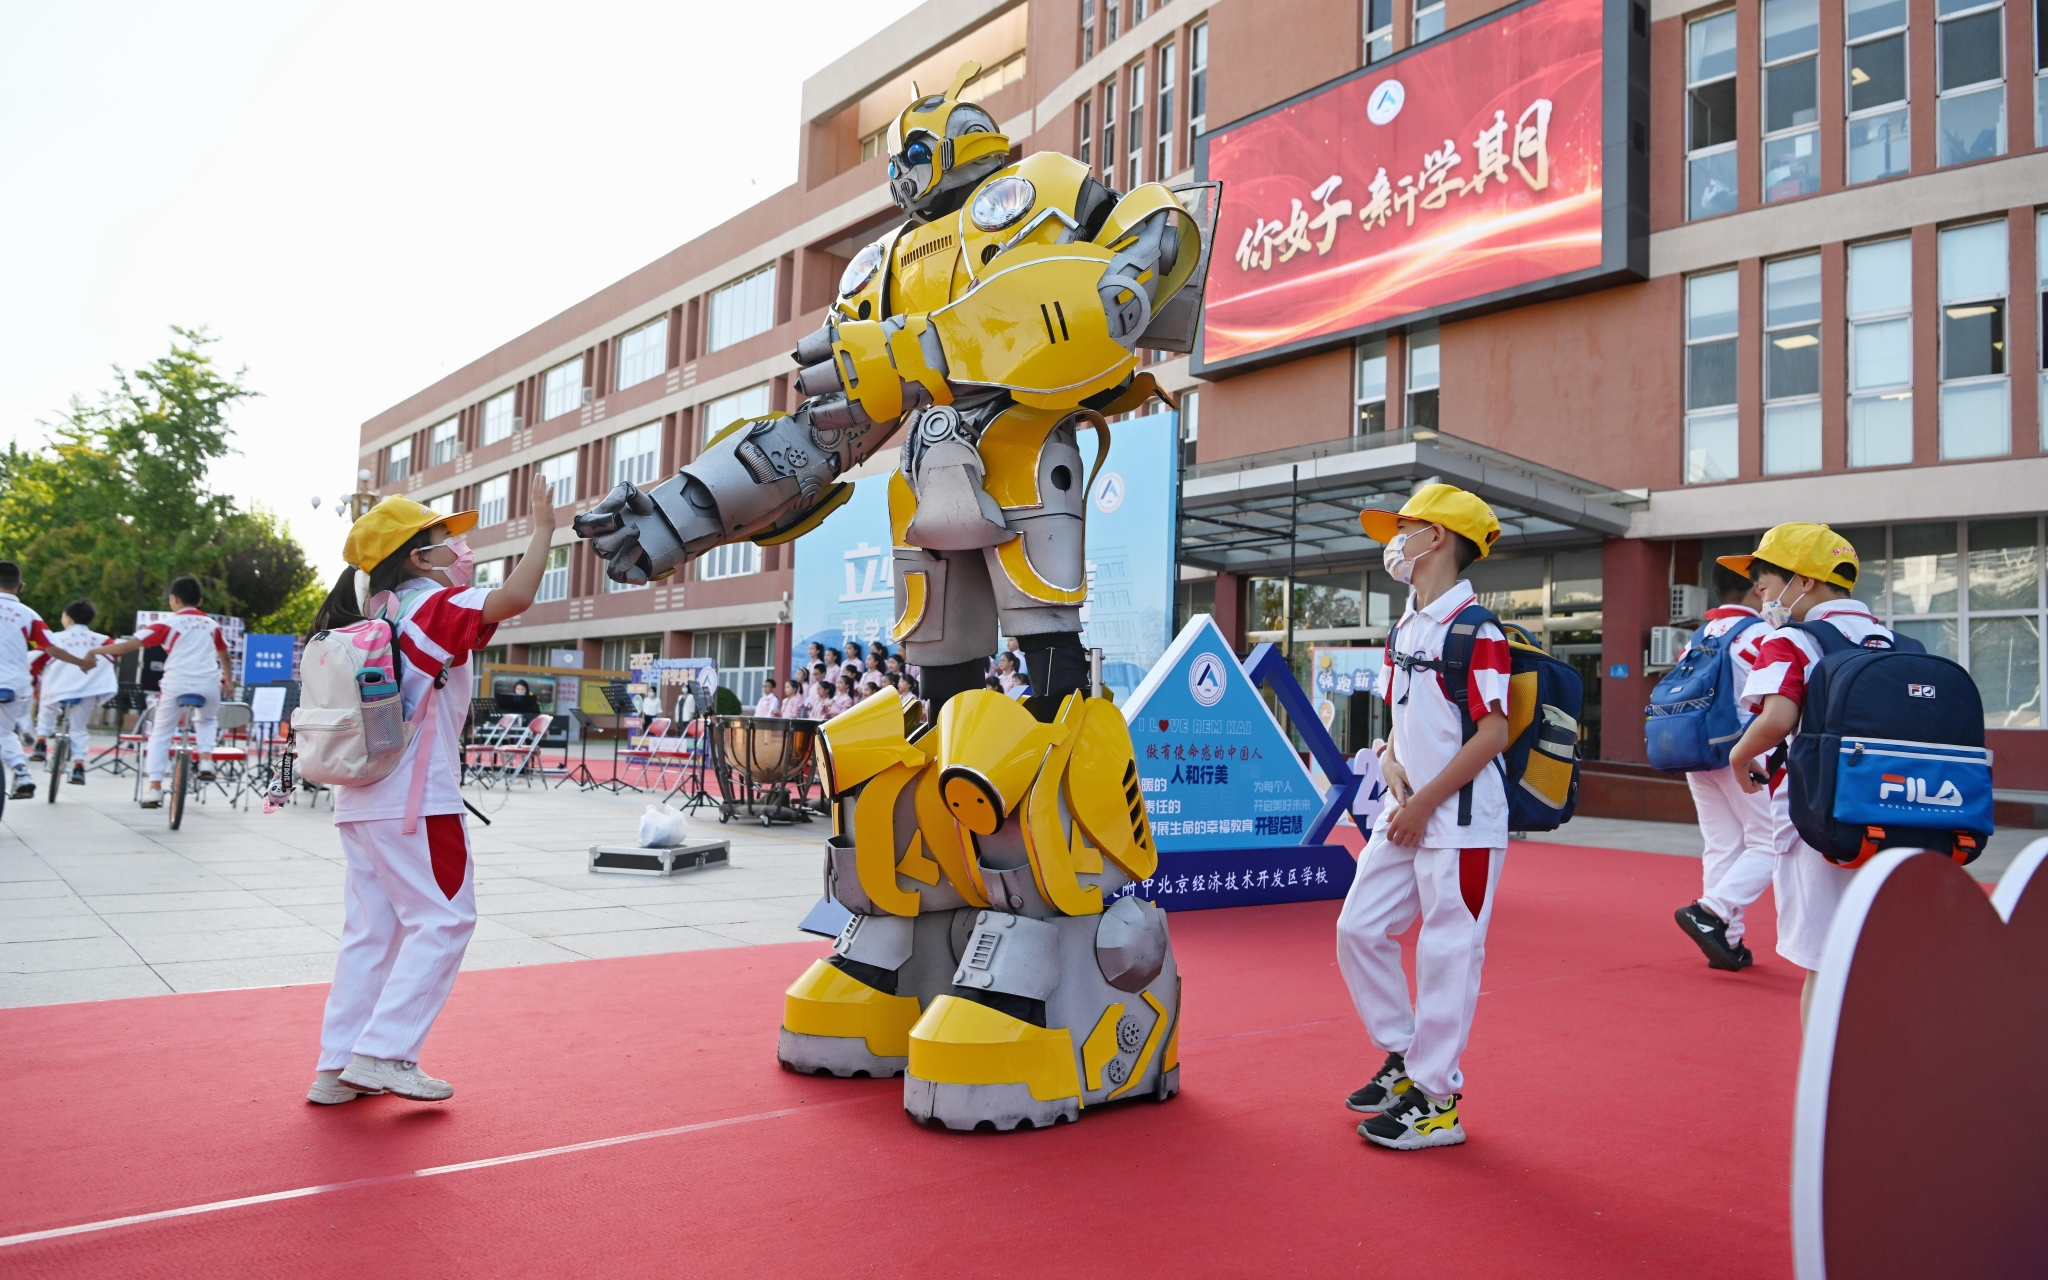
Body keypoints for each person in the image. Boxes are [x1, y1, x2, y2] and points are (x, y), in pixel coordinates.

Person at [302, 475, 556, 1106]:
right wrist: (545, 529)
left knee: (372, 933)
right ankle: (386, 1052)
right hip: (417, 801)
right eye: (447, 541)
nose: (459, 551)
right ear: (419, 555)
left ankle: (337, 1067)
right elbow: (515, 597)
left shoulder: (374, 615)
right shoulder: (428, 609)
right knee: (445, 920)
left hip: (360, 800)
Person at [1335, 485, 1511, 1151]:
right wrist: (1386, 760)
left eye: (1403, 528)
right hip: (1404, 810)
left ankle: (1437, 1100)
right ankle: (1404, 1056)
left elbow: (1492, 733)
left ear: (1436, 538)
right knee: (1358, 928)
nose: (1394, 541)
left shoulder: (1477, 629)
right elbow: (1400, 722)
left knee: (1448, 953)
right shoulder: (1405, 627)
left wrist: (1425, 804)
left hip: (1460, 822)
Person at [1717, 524, 1888, 1026]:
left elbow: (1777, 718)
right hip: (1895, 808)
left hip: (1820, 814)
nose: (1762, 598)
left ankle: (1823, 1086)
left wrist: (1738, 757)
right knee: (1871, 952)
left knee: (1823, 961)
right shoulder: (1890, 638)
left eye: (1766, 587)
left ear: (1804, 582)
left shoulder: (1792, 638)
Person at [1672, 563, 1777, 970]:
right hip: (1746, 752)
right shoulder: (1759, 635)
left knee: (1722, 845)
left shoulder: (1698, 636)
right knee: (1769, 843)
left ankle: (1727, 940)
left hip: (1698, 752)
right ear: (1756, 590)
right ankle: (1712, 911)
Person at [88, 577, 234, 809]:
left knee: (161, 733)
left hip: (176, 684)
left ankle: (155, 788)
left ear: (173, 600)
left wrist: (95, 650)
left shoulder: (166, 624)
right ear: (200, 601)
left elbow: (127, 647)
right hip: (209, 683)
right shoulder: (211, 625)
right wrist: (229, 682)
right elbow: (224, 655)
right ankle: (206, 760)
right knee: (206, 720)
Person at [0, 561, 92, 798]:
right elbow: (52, 648)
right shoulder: (28, 615)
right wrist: (81, 663)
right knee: (4, 733)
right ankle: (21, 772)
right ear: (20, 587)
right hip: (13, 685)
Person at [34, 601, 117, 786]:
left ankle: (40, 742)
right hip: (86, 689)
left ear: (68, 618)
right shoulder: (102, 640)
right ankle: (79, 765)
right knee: (78, 728)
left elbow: (37, 658)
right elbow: (116, 652)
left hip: (57, 689)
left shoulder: (54, 639)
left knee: (46, 707)